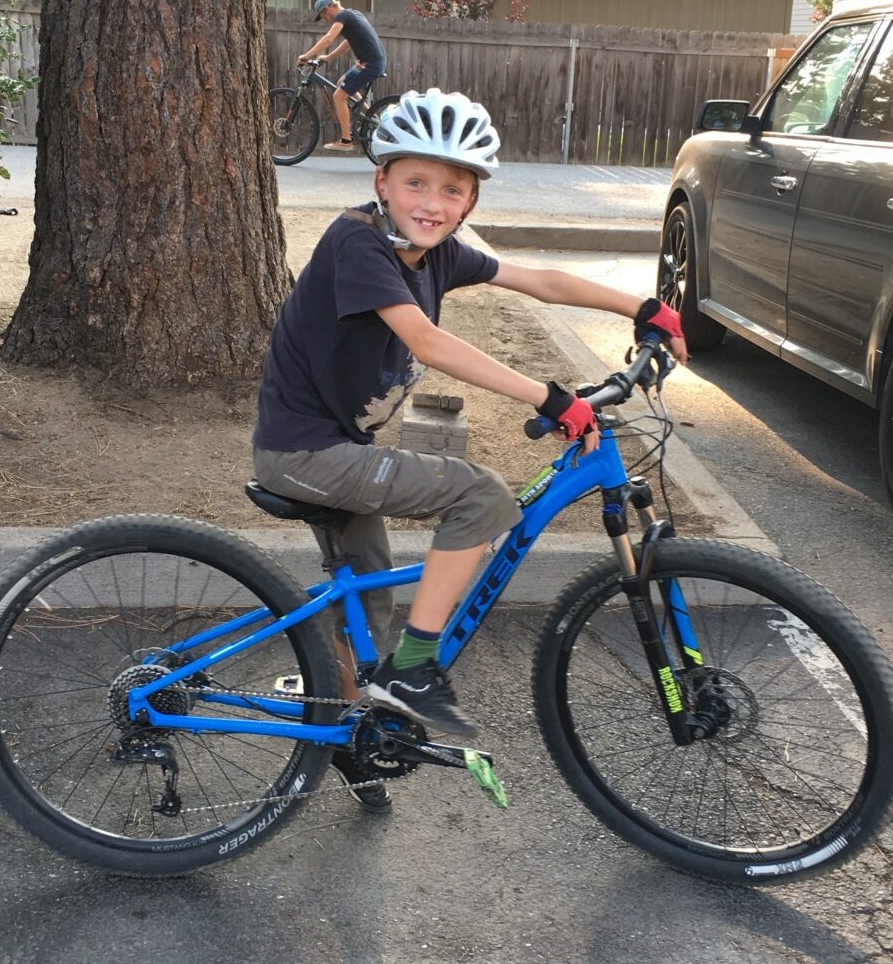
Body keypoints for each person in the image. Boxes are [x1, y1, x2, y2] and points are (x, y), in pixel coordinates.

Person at [252, 88, 686, 811]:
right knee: (479, 495)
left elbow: (539, 281)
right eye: (414, 181)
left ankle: (348, 737)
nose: (431, 200)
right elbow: (425, 340)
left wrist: (644, 307)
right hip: (306, 455)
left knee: (371, 609)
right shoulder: (356, 241)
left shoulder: (439, 254)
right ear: (380, 182)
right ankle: (416, 673)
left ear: (469, 202)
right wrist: (548, 397)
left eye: (451, 188)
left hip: (338, 450)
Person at [299, 0, 387, 152]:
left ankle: (346, 140)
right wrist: (328, 57)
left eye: (324, 16)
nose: (326, 20)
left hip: (371, 64)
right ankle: (372, 118)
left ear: (328, 8)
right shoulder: (353, 14)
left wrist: (307, 56)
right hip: (370, 62)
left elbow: (328, 38)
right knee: (342, 83)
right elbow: (349, 42)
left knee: (338, 96)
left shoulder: (343, 16)